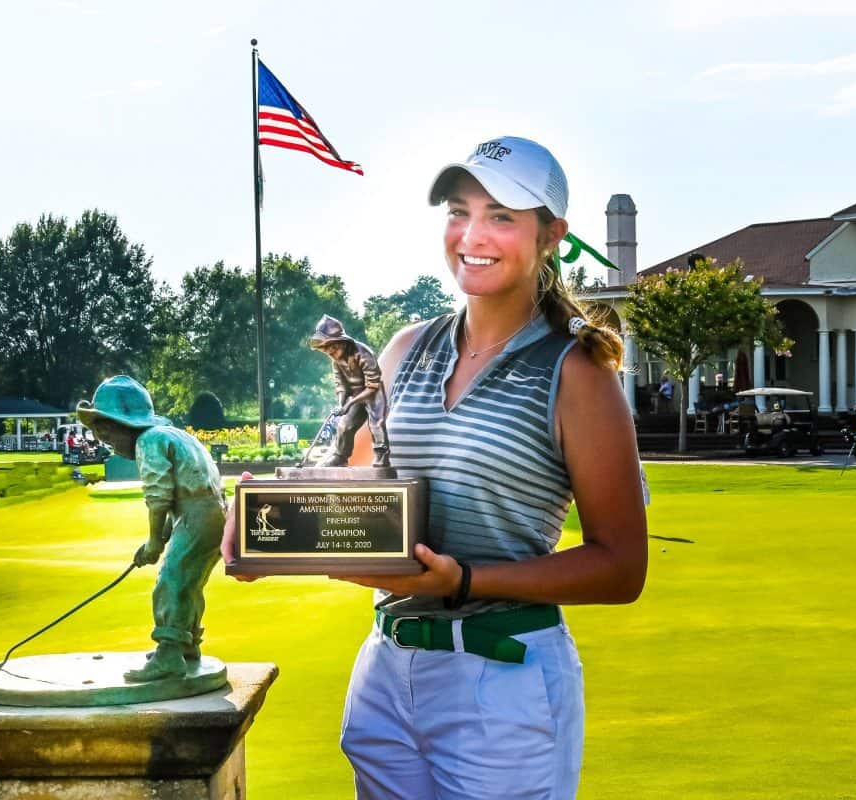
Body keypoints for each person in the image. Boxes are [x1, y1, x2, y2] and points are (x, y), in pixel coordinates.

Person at [223, 135, 647, 799]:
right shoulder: (405, 348)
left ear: (551, 235)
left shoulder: (577, 372)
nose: (472, 234)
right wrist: (269, 530)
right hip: (387, 672)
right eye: (458, 210)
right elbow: (360, 498)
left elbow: (622, 567)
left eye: (502, 216)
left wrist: (466, 578)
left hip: (499, 677)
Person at [78, 376, 226, 682]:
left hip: (199, 515)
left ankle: (169, 653)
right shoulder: (173, 435)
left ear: (121, 425)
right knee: (189, 582)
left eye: (108, 435)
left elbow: (159, 498)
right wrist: (160, 538)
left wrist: (154, 543)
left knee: (171, 580)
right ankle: (187, 647)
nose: (110, 445)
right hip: (214, 513)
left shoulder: (148, 441)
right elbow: (183, 493)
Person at [308, 315, 390, 468]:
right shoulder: (336, 361)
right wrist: (341, 404)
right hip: (354, 394)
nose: (328, 352)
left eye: (330, 346)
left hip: (373, 393)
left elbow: (372, 385)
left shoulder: (363, 353)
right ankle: (340, 456)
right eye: (325, 348)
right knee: (344, 425)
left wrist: (349, 403)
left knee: (376, 424)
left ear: (341, 342)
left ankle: (382, 456)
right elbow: (341, 386)